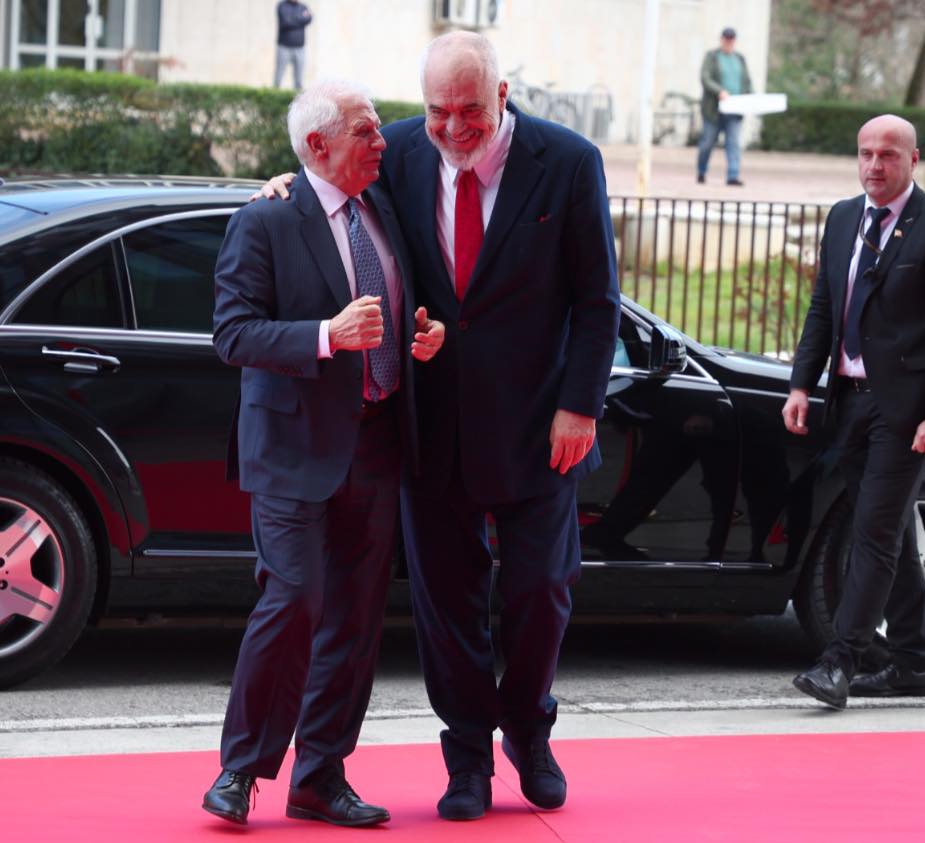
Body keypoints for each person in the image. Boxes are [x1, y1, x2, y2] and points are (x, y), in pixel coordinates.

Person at [259, 32, 619, 820]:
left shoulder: (568, 161)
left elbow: (598, 300)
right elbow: (331, 180)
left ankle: (528, 729)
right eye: (436, 110)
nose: (452, 128)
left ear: (502, 95)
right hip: (433, 425)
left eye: (469, 110)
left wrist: (582, 405)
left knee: (543, 589)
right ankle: (468, 759)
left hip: (541, 425)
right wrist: (285, 185)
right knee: (446, 607)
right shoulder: (401, 154)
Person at [202, 79, 445, 827]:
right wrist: (324, 335)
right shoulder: (266, 218)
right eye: (365, 132)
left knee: (356, 616)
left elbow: (403, 302)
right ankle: (240, 771)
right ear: (317, 145)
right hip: (291, 447)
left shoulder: (383, 206)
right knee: (294, 598)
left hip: (377, 440)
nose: (382, 142)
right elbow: (232, 333)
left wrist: (422, 335)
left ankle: (320, 776)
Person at [782, 114, 925, 710]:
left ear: (913, 160)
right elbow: (824, 307)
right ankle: (913, 663)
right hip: (849, 403)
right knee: (887, 532)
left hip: (906, 413)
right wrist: (801, 385)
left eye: (888, 154)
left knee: (873, 531)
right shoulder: (843, 218)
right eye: (865, 152)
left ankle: (839, 660)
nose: (874, 164)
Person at [697, 26, 752, 187]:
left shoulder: (740, 58)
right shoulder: (712, 57)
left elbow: (747, 82)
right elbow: (705, 78)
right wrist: (719, 91)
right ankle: (701, 171)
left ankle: (733, 175)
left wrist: (751, 97)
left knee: (733, 143)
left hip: (734, 109)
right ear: (721, 39)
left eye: (731, 39)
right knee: (707, 143)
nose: (728, 42)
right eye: (726, 39)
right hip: (714, 110)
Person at [274, 0, 312, 90]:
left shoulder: (303, 7)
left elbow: (310, 18)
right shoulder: (282, 6)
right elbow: (286, 22)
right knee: (279, 77)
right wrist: (301, 18)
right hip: (284, 47)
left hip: (300, 48)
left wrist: (293, 18)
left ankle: (298, 97)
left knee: (299, 80)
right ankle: (274, 93)